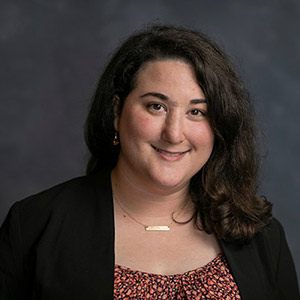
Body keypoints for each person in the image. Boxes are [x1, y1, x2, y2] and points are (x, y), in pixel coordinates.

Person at [0, 25, 299, 300]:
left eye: (197, 112)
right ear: (117, 111)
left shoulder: (262, 235)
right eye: (156, 106)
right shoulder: (32, 226)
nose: (174, 133)